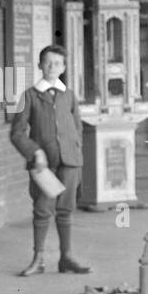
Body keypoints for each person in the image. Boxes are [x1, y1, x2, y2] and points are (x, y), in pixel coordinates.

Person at [10, 44, 90, 275]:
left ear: (63, 67)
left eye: (57, 63)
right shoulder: (30, 95)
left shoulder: (69, 95)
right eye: (47, 62)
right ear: (39, 65)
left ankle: (66, 257)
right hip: (44, 164)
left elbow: (77, 127)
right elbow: (17, 133)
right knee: (43, 209)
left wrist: (75, 150)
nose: (52, 67)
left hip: (70, 161)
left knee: (66, 209)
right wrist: (35, 152)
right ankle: (39, 258)